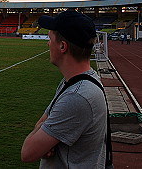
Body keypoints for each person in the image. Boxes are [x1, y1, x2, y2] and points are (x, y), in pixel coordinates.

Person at [21, 10, 110, 168]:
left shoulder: (78, 96)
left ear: (62, 46)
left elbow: (28, 152)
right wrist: (48, 138)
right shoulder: (74, 82)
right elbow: (42, 122)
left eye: (50, 39)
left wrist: (45, 139)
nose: (48, 44)